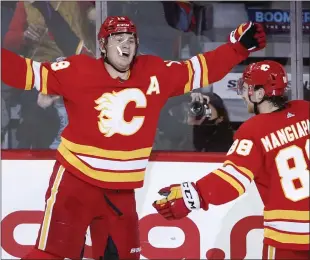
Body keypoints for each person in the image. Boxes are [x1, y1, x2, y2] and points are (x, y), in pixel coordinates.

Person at [1, 17, 266, 260]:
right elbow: (23, 71)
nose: (125, 45)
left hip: (121, 192)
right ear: (103, 46)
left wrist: (237, 49)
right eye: (118, 39)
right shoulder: (77, 70)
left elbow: (199, 70)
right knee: (50, 255)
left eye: (131, 40)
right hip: (75, 183)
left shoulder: (154, 72)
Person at [153, 61, 310, 259]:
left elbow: (232, 180)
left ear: (260, 94)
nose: (243, 95)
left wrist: (191, 195)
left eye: (246, 89)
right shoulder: (305, 109)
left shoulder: (254, 129)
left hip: (288, 237)